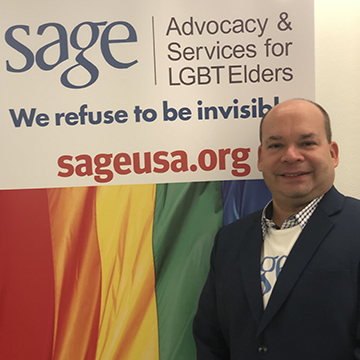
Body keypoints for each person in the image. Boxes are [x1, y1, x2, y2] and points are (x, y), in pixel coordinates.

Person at [193, 99, 360, 359]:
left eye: (307, 143)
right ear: (261, 158)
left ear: (333, 153)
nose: (291, 155)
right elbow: (210, 339)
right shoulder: (230, 239)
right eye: (276, 145)